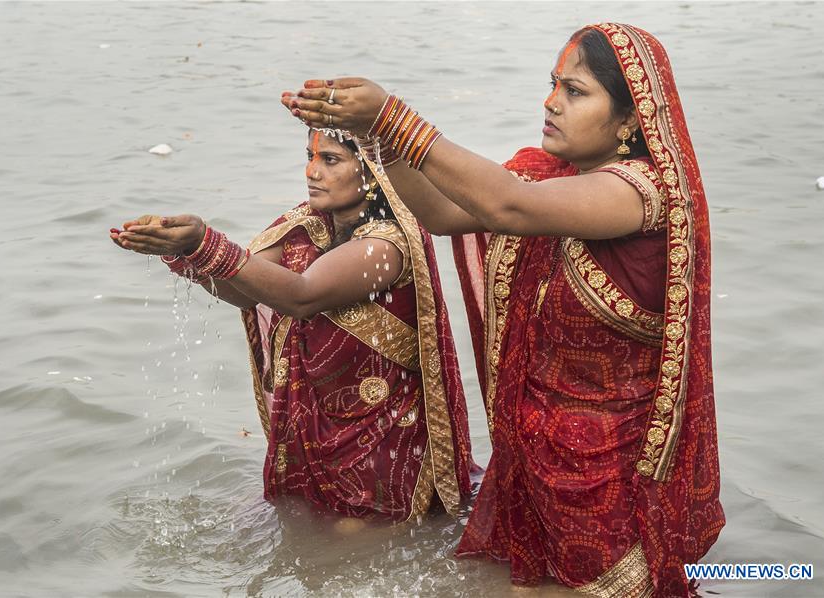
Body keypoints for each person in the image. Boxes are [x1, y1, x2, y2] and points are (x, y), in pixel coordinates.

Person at [282, 22, 723, 597]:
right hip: (532, 467)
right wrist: (377, 140)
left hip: (611, 482)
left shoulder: (641, 193)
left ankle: (772, 574)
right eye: (552, 84)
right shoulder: (550, 178)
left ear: (631, 120)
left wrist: (394, 116)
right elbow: (442, 213)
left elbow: (510, 207)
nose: (551, 101)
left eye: (575, 91)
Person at [110, 129, 473, 523]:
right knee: (292, 524)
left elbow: (302, 296)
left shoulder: (388, 245)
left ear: (372, 170)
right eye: (309, 156)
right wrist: (185, 252)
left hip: (378, 438)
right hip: (309, 429)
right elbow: (246, 291)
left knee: (354, 542)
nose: (311, 171)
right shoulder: (304, 227)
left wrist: (205, 242)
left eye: (330, 160)